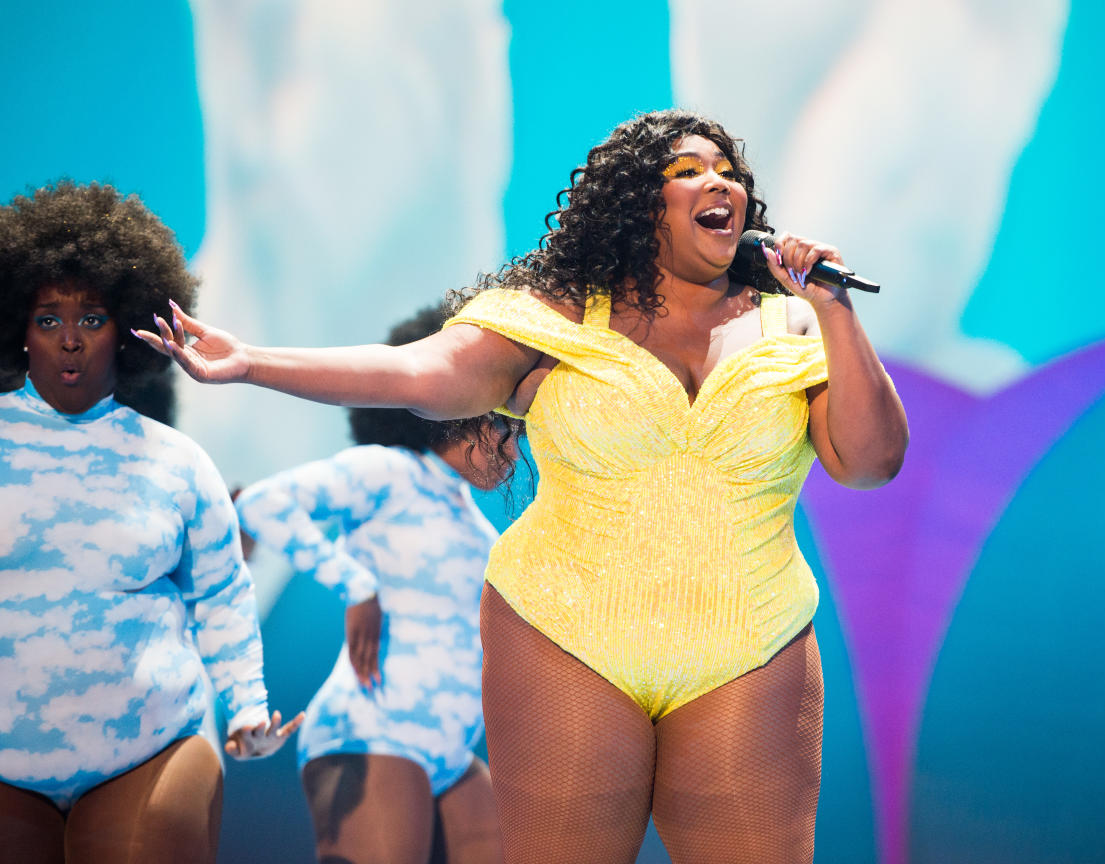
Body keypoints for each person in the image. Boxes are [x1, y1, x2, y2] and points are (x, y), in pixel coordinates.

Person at [137, 109, 909, 863]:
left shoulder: (794, 327)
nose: (720, 183)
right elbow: (421, 374)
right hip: (564, 631)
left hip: (753, 638)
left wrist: (833, 307)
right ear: (641, 205)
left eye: (729, 173)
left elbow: (871, 463)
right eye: (689, 171)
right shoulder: (558, 315)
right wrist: (253, 361)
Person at [0, 180, 302, 864]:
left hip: (147, 751)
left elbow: (223, 596)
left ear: (130, 331)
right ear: (16, 327)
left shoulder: (179, 463)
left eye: (94, 318)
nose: (70, 340)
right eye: (48, 319)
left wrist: (249, 708)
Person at [233, 305, 508, 864]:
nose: (513, 445)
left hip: (452, 755)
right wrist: (356, 584)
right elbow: (263, 504)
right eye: (502, 423)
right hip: (371, 729)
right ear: (461, 407)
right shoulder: (389, 471)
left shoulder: (482, 528)